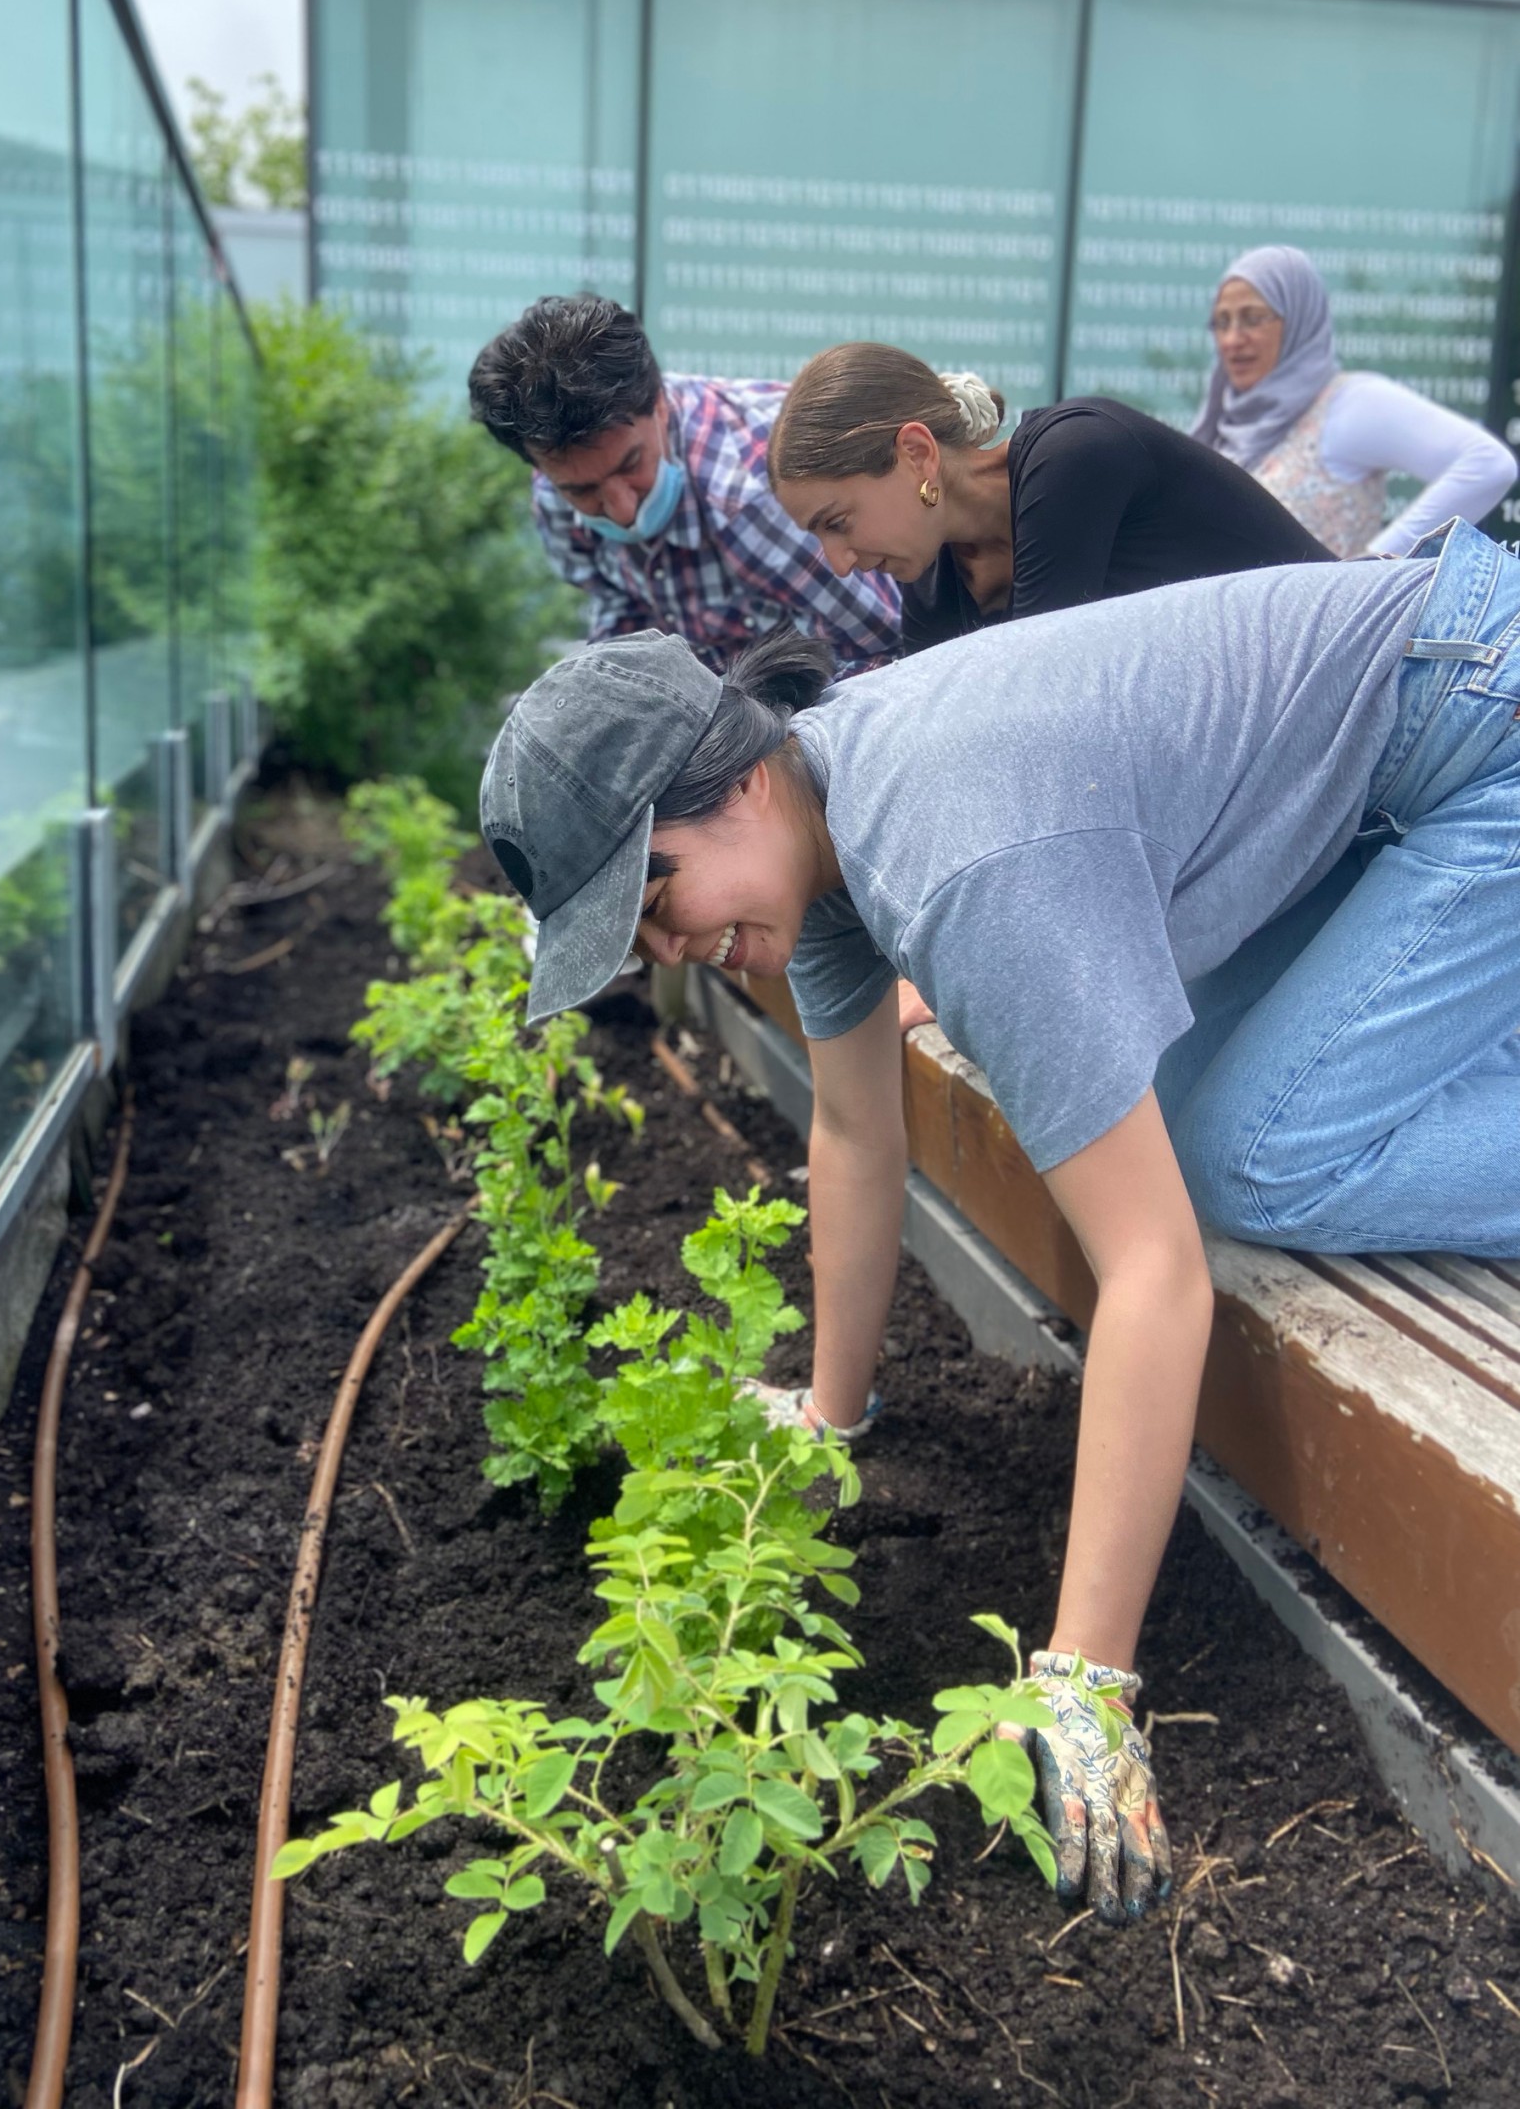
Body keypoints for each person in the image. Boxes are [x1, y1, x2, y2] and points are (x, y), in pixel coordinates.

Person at [478, 518, 1520, 1925]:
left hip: (1487, 717)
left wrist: (1085, 1675)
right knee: (1197, 1109)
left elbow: (1152, 1275)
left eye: (653, 896)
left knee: (1259, 1160)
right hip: (1416, 746)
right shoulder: (823, 825)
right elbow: (857, 1132)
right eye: (635, 943)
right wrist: (831, 1414)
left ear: (731, 784)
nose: (668, 950)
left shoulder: (956, 859)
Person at [766, 342, 1332, 654]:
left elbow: (1036, 699)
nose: (838, 563)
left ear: (917, 453)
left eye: (838, 522)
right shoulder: (934, 583)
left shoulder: (1076, 456)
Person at [468, 295, 899, 673]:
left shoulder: (753, 496)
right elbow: (621, 617)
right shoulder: (553, 500)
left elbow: (879, 650)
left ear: (659, 404)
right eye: (582, 491)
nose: (622, 510)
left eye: (630, 465)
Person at [1192, 245, 1517, 559]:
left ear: (1299, 319)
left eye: (1253, 318)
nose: (1233, 339)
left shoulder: (1348, 405)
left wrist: (1372, 566)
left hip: (1325, 600)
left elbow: (1488, 464)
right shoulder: (1221, 426)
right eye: (1222, 322)